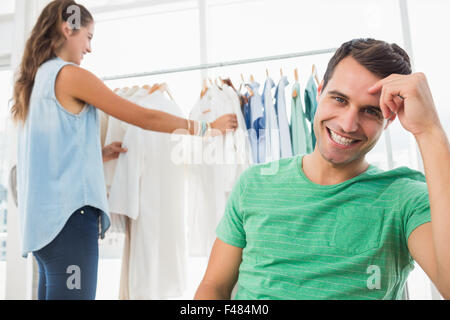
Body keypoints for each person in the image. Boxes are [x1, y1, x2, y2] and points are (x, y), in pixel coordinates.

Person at [12, 0, 237, 300]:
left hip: (43, 232)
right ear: (68, 28)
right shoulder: (70, 76)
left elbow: (48, 157)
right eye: (88, 37)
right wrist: (208, 128)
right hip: (70, 225)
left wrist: (99, 155)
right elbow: (144, 117)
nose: (89, 49)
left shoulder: (34, 82)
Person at [195, 38, 450, 300]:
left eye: (370, 111)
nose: (348, 124)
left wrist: (429, 130)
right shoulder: (253, 183)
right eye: (339, 99)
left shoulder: (406, 199)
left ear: (390, 119)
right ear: (319, 92)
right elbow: (214, 286)